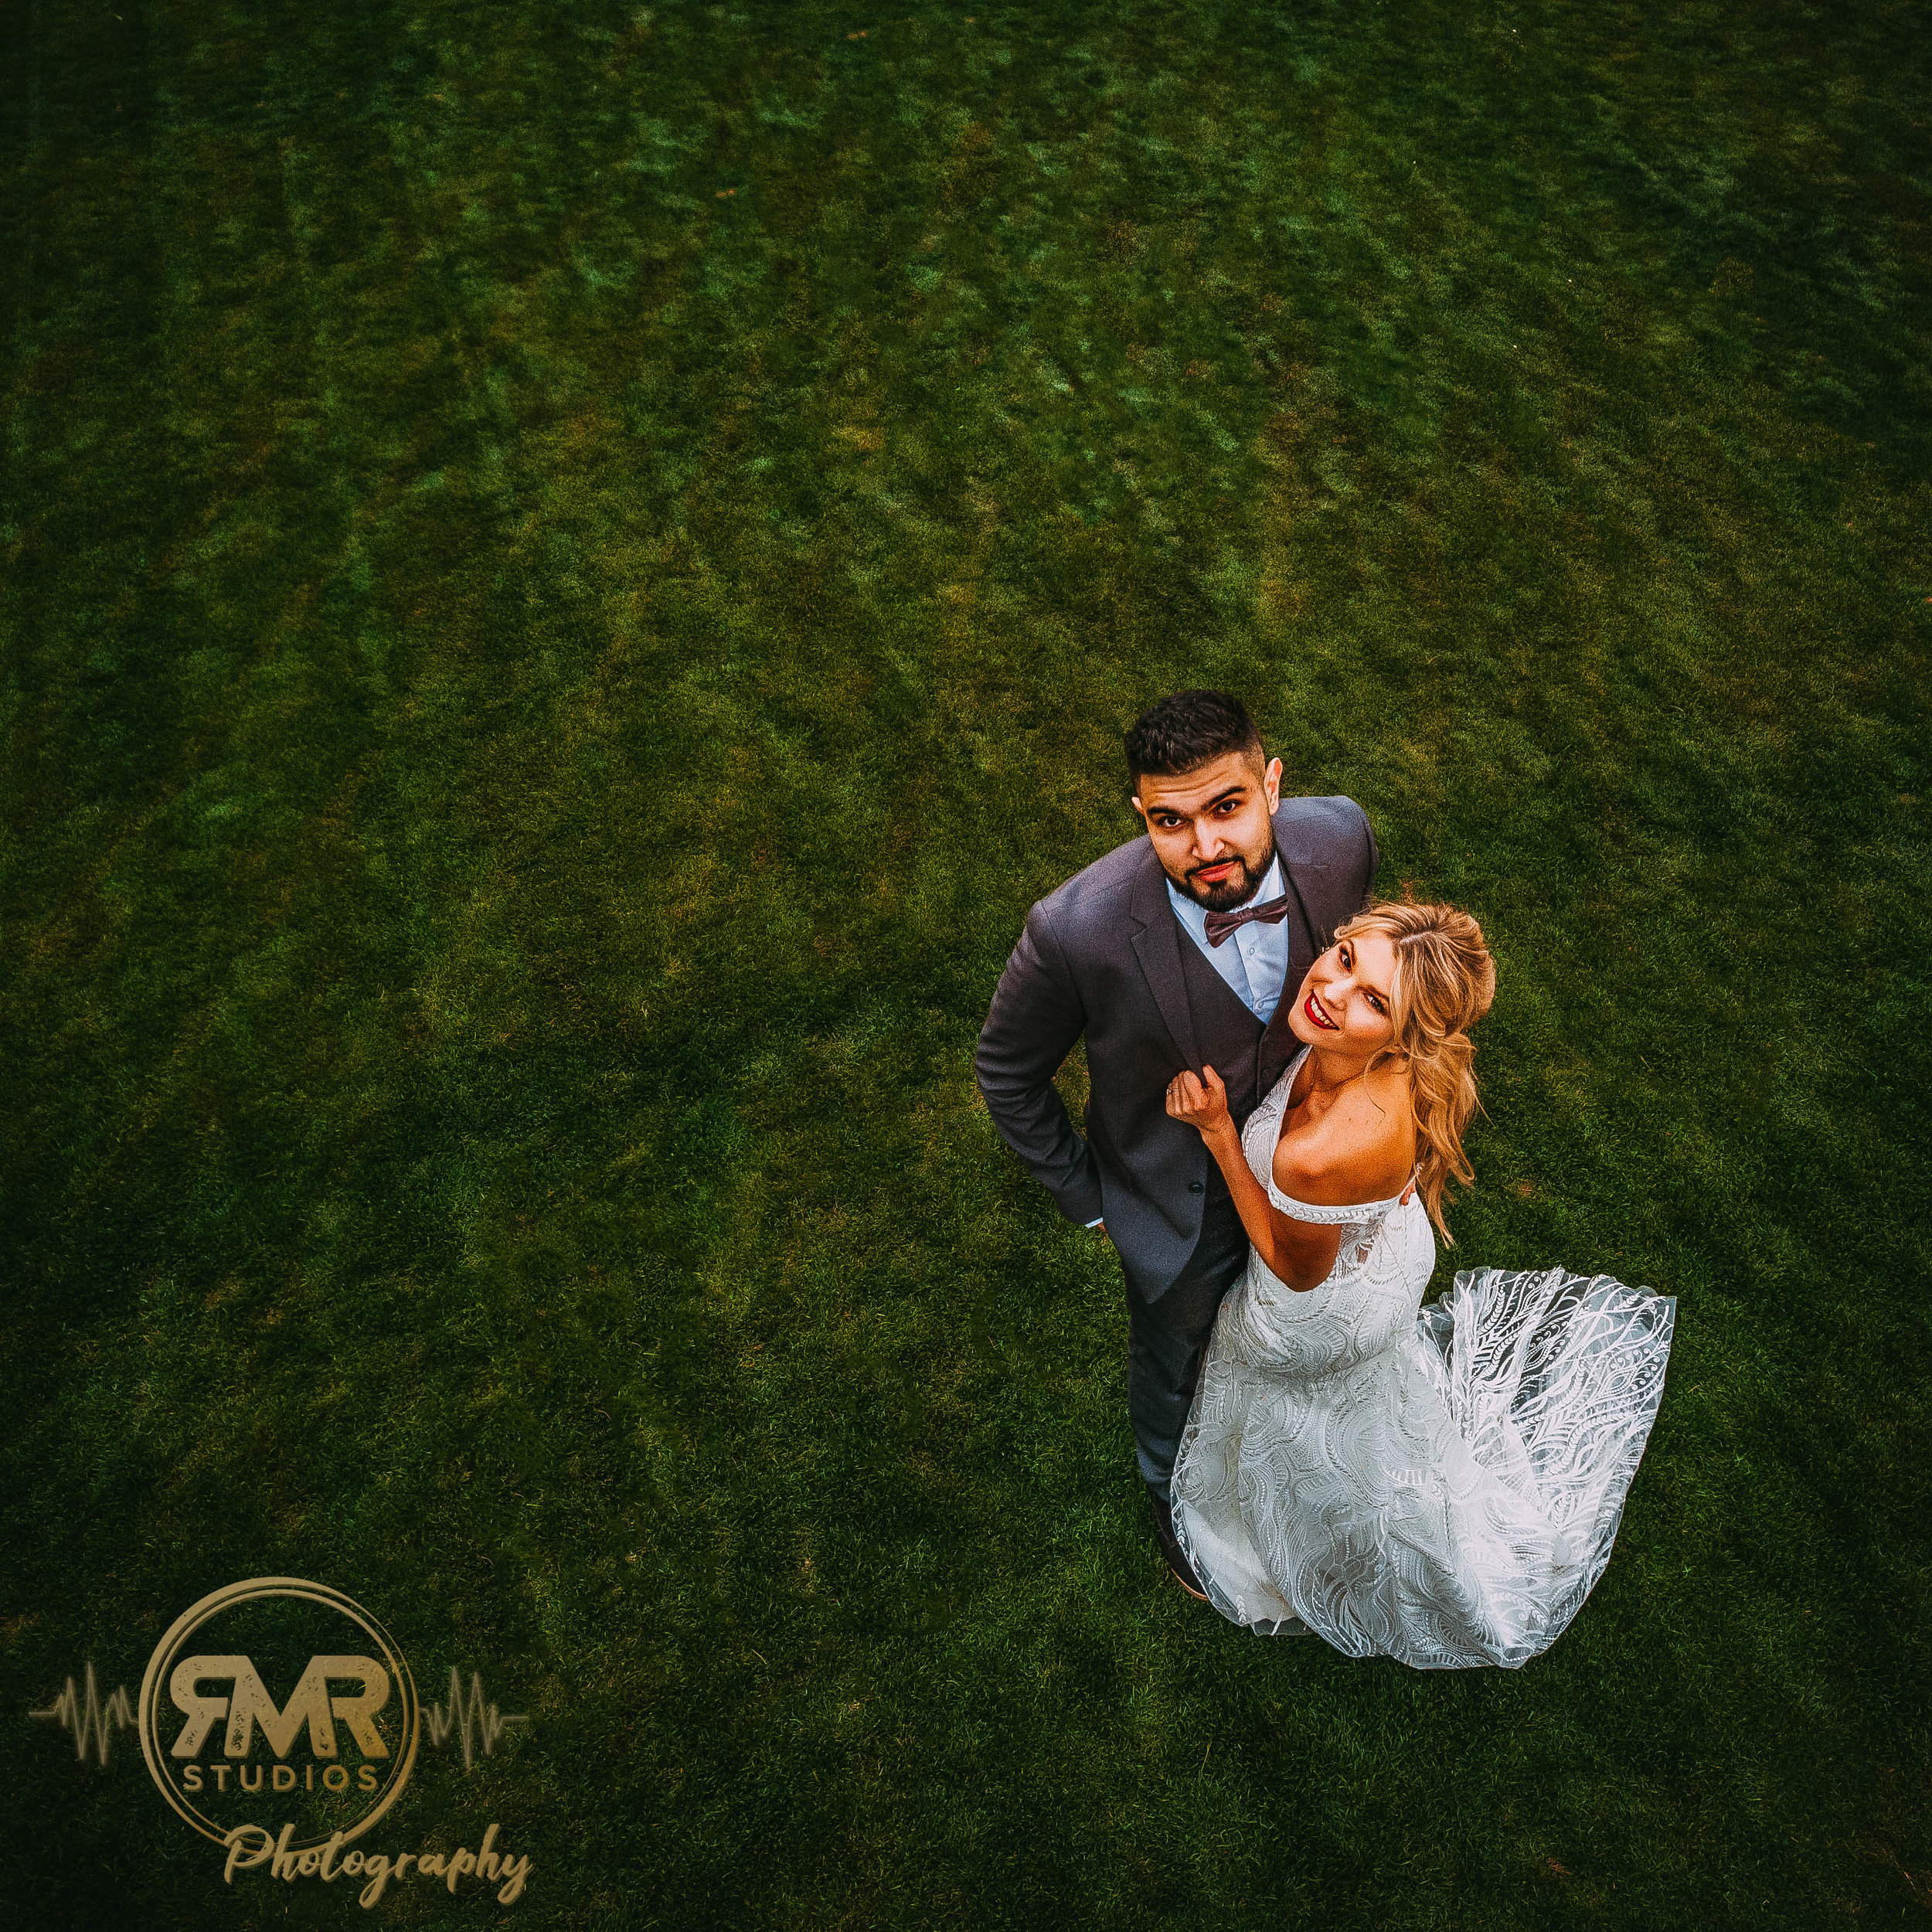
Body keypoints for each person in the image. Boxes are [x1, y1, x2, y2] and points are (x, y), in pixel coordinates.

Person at [1162, 897, 1675, 1665]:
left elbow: (1295, 1267)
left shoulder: (1321, 1152)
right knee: (1361, 1425)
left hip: (1310, 1307)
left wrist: (1221, 1138)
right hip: (1379, 1259)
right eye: (1344, 960)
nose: (1332, 993)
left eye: (1373, 1001)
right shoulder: (1389, 1058)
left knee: (1289, 1414)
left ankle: (1283, 1539)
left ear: (1405, 1037)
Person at [975, 690, 1379, 1597]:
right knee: (1175, 1363)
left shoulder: (1341, 841)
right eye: (1170, 821)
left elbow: (1373, 968)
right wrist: (1093, 1206)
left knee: (1294, 1333)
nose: (1204, 848)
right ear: (1140, 815)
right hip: (1173, 1212)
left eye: (1227, 807)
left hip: (1306, 1172)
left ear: (1271, 783)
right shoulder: (1075, 930)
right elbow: (1006, 1073)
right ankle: (1170, 1493)